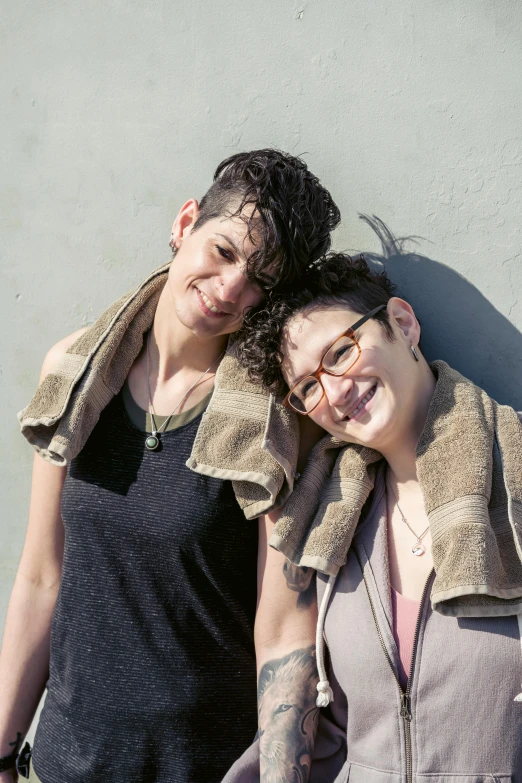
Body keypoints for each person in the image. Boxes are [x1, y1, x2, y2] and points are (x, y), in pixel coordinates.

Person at [0, 149, 340, 783]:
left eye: (261, 279)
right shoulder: (74, 375)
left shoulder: (275, 420)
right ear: (186, 223)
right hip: (62, 764)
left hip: (203, 768)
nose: (231, 288)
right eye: (225, 251)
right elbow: (42, 578)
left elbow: (284, 628)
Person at [233, 252, 522, 782]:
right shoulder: (326, 521)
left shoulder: (515, 474)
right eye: (308, 388)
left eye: (341, 350)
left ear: (403, 324)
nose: (336, 390)